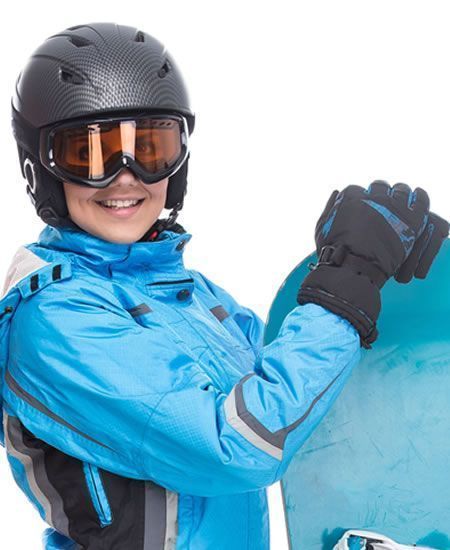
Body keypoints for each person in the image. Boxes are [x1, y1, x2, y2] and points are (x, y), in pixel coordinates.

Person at [1, 22, 448, 550]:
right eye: (89, 155)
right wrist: (345, 282)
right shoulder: (55, 321)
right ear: (41, 171)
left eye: (150, 148)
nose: (126, 177)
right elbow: (239, 446)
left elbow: (287, 403)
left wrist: (342, 265)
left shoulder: (187, 292)